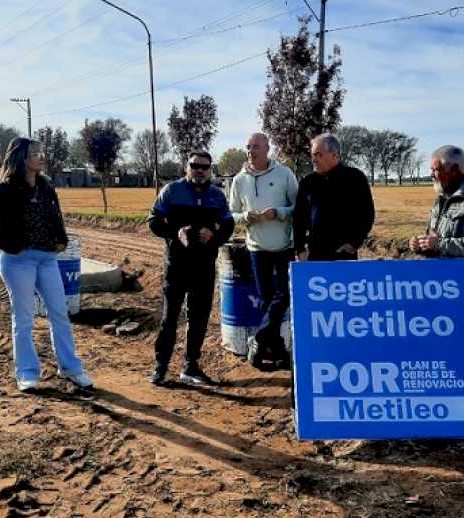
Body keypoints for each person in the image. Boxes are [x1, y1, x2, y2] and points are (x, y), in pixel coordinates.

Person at [0, 137, 93, 393]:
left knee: (59, 312)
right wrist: (7, 245)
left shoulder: (46, 186)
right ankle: (27, 373)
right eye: (35, 153)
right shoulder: (4, 190)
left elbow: (55, 215)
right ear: (22, 158)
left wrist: (61, 238)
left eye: (40, 153)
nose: (40, 157)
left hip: (47, 259)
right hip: (18, 262)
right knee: (24, 317)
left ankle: (71, 368)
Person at [148, 151, 234, 386]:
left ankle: (191, 367)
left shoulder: (217, 195)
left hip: (204, 267)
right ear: (186, 167)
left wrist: (214, 236)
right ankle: (160, 367)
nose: (200, 170)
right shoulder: (172, 191)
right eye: (195, 165)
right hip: (176, 266)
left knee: (199, 319)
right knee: (169, 318)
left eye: (205, 167)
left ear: (210, 170)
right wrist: (174, 234)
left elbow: (229, 224)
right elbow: (153, 220)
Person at [228, 133, 298, 370]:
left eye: (256, 146)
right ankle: (278, 350)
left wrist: (279, 212)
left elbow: (298, 206)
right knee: (268, 299)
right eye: (248, 147)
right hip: (257, 248)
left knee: (285, 295)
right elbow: (232, 214)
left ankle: (258, 340)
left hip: (285, 246)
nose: (251, 150)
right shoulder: (239, 180)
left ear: (268, 148)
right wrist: (246, 217)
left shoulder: (284, 174)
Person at [293, 133, 375, 262]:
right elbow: (299, 218)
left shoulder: (354, 178)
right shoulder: (307, 182)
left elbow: (367, 214)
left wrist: (354, 242)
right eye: (313, 155)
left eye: (319, 155)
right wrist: (300, 249)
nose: (314, 159)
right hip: (314, 253)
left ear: (334, 155)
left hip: (344, 254)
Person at [409, 145, 464, 257]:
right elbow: (434, 239)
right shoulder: (442, 198)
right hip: (443, 272)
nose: (431, 175)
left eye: (435, 170)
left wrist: (438, 245)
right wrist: (421, 245)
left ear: (454, 170)